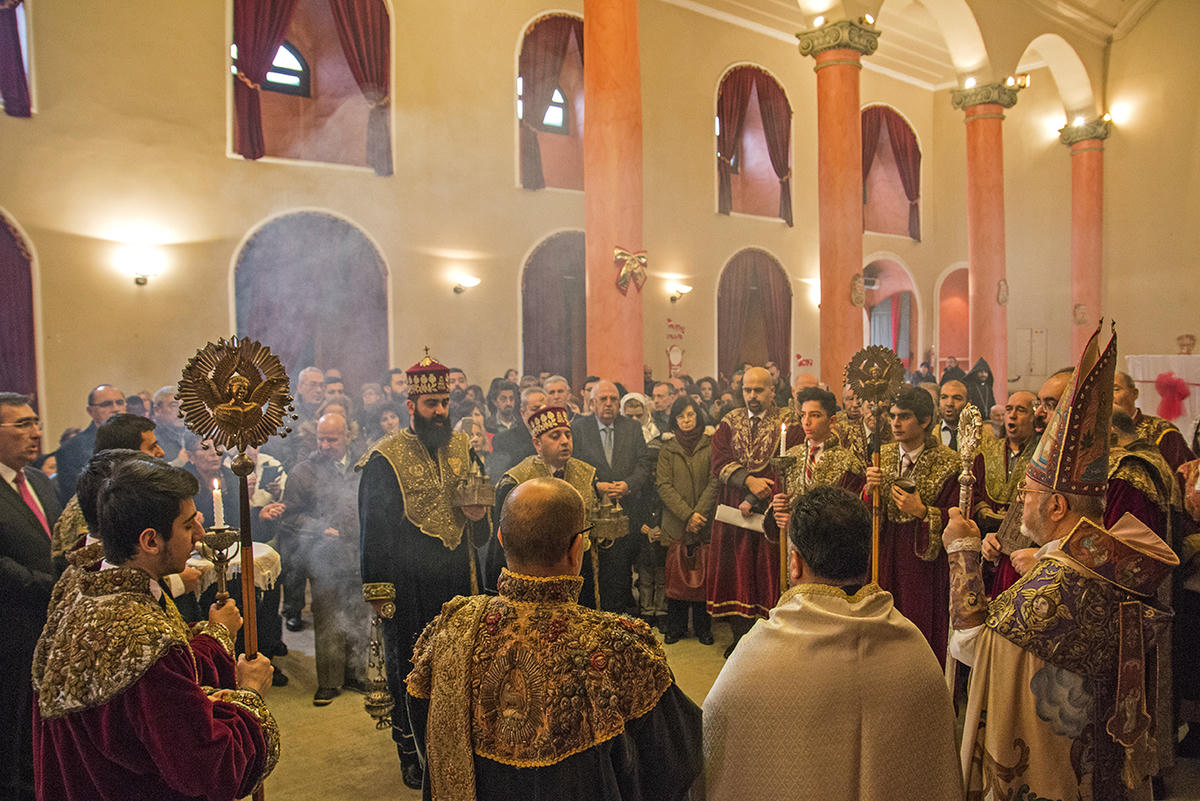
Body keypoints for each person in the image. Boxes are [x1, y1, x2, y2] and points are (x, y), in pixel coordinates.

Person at [945, 324, 1178, 801]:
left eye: (1028, 494)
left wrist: (962, 552)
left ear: (1056, 506)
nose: (1021, 501)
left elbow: (974, 649)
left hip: (1048, 766)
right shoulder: (1103, 564)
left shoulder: (1056, 586)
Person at [406, 477, 703, 801]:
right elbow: (675, 764)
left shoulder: (449, 631)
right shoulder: (619, 648)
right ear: (577, 549)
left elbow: (430, 749)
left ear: (502, 539)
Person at [31, 458, 279, 800]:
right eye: (187, 526)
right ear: (150, 540)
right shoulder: (145, 641)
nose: (200, 535)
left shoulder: (81, 586)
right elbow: (210, 767)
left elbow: (132, 716)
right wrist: (250, 694)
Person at [702, 486, 962, 801]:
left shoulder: (755, 657)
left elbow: (713, 747)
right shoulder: (914, 649)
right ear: (867, 558)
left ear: (794, 563)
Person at [358, 352, 492, 789]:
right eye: (431, 403)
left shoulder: (463, 447)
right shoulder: (385, 458)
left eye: (445, 403)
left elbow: (481, 515)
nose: (440, 411)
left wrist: (479, 517)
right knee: (412, 666)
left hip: (458, 576)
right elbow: (373, 529)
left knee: (461, 661)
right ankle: (410, 749)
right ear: (411, 406)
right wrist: (379, 591)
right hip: (409, 581)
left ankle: (463, 741)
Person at [707, 366, 802, 657]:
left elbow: (791, 461)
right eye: (747, 390)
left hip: (772, 507)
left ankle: (769, 638)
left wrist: (759, 493)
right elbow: (719, 459)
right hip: (734, 508)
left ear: (772, 391)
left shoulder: (788, 421)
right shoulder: (729, 421)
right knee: (736, 571)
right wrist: (748, 481)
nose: (752, 396)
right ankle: (739, 638)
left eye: (758, 390)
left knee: (767, 571)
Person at [862, 386, 961, 663]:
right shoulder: (882, 456)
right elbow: (866, 511)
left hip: (924, 566)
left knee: (919, 627)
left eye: (904, 416)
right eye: (892, 415)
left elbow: (959, 519)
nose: (895, 423)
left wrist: (922, 511)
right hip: (885, 555)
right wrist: (869, 491)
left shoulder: (949, 463)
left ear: (925, 420)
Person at [281, 413, 369, 706]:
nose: (325, 445)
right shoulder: (304, 472)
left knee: (358, 615)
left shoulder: (363, 465)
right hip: (324, 557)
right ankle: (329, 682)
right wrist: (319, 528)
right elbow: (291, 516)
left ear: (348, 436)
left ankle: (356, 674)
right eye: (321, 439)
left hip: (358, 553)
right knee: (329, 617)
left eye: (332, 439)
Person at [0, 393, 61, 801]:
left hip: (50, 627)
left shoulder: (38, 481)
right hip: (11, 631)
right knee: (13, 732)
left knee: (43, 734)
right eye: (22, 424)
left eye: (36, 422)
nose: (36, 432)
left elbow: (58, 544)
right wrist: (48, 584)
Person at [488, 406, 598, 601]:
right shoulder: (516, 480)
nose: (564, 441)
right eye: (555, 436)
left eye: (567, 435)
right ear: (537, 443)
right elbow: (502, 542)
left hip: (579, 569)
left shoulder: (586, 473)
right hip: (532, 574)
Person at [570, 380, 655, 613]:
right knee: (595, 570)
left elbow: (644, 464)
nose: (608, 404)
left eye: (613, 399)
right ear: (592, 403)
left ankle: (619, 614)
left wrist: (628, 485)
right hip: (593, 513)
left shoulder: (631, 427)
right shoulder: (579, 428)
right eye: (603, 399)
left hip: (625, 510)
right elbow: (573, 465)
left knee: (621, 569)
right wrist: (595, 485)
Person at [656, 396, 718, 644]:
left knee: (704, 573)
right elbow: (663, 485)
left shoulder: (711, 444)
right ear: (674, 420)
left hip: (705, 520)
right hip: (676, 521)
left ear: (698, 416)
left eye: (690, 414)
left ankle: (703, 628)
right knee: (677, 574)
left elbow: (715, 481)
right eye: (681, 416)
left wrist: (699, 514)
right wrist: (688, 515)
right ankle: (676, 627)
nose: (686, 420)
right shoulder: (667, 448)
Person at [973, 390, 1039, 595]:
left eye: (1021, 410)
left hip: (1025, 545)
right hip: (987, 541)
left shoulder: (1042, 455)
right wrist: (983, 511)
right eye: (1009, 409)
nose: (1012, 415)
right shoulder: (987, 450)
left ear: (1034, 416)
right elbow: (974, 490)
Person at [54, 384, 125, 505]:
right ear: (90, 411)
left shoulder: (140, 438)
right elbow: (75, 496)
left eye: (120, 403)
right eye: (106, 404)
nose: (116, 408)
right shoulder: (72, 449)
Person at [1114, 370, 1195, 472]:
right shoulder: (1098, 433)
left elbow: (1183, 475)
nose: (1108, 396)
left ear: (1134, 394)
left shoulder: (1162, 430)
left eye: (1115, 389)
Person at [487, 386, 546, 478]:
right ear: (523, 413)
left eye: (544, 409)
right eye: (535, 409)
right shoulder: (503, 440)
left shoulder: (557, 437)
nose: (540, 413)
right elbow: (499, 478)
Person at [151, 386, 186, 464]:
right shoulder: (149, 437)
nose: (182, 412)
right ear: (157, 410)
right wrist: (179, 462)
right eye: (174, 406)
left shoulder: (190, 432)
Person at [937, 379, 968, 449]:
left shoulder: (982, 436)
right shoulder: (929, 435)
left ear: (968, 404)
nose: (949, 403)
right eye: (944, 397)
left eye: (957, 398)